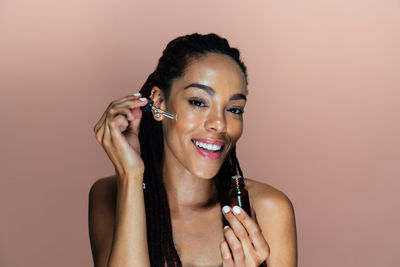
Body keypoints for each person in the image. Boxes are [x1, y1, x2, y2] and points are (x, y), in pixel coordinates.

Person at [89, 33, 297, 267]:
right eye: (198, 102)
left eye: (234, 109)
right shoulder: (109, 195)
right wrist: (131, 176)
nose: (219, 124)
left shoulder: (268, 210)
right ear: (158, 103)